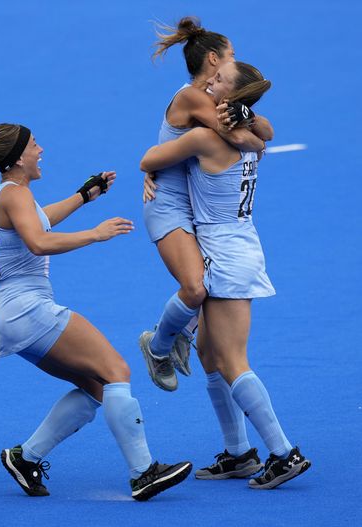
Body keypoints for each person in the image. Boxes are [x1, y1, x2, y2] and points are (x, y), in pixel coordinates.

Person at [0, 123, 192, 501]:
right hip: (29, 309)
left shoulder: (9, 194)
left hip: (11, 315)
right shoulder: (16, 194)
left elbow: (39, 220)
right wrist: (96, 233)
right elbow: (39, 241)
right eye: (35, 145)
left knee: (95, 386)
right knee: (116, 371)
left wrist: (83, 196)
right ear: (19, 156)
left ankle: (26, 458)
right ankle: (144, 473)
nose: (41, 150)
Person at [139, 62, 311, 489]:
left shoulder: (202, 138)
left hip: (227, 257)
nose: (207, 84)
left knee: (232, 360)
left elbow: (150, 157)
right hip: (238, 248)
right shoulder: (252, 141)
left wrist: (150, 171)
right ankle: (239, 453)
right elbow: (262, 133)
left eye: (216, 83)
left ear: (230, 100)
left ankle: (284, 453)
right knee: (208, 354)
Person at [140, 16, 275, 392]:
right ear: (214, 60)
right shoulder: (193, 98)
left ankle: (181, 331)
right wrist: (255, 137)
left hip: (194, 208)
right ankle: (158, 345)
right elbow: (251, 139)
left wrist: (249, 118)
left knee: (207, 312)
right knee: (197, 288)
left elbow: (263, 129)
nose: (237, 59)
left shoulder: (213, 98)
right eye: (232, 54)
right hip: (169, 206)